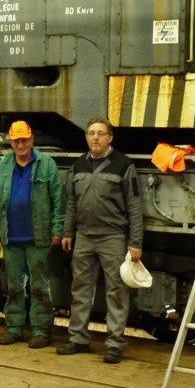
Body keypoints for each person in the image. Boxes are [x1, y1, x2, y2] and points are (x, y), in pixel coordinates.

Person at [58, 118, 144, 364]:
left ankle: (115, 344)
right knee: (80, 289)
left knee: (116, 290)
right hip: (84, 236)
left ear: (110, 138)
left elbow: (135, 207)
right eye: (91, 133)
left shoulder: (123, 165)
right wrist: (68, 232)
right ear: (86, 137)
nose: (95, 137)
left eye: (100, 133)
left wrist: (135, 242)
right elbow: (71, 202)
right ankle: (78, 339)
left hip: (113, 237)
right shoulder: (78, 165)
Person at [0, 120, 64, 349]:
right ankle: (14, 328)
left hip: (39, 237)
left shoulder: (46, 164)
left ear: (32, 140)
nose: (21, 145)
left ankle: (41, 330)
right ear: (10, 141)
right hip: (10, 237)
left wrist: (57, 229)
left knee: (40, 286)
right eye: (16, 141)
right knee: (14, 286)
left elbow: (59, 200)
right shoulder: (3, 166)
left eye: (24, 140)